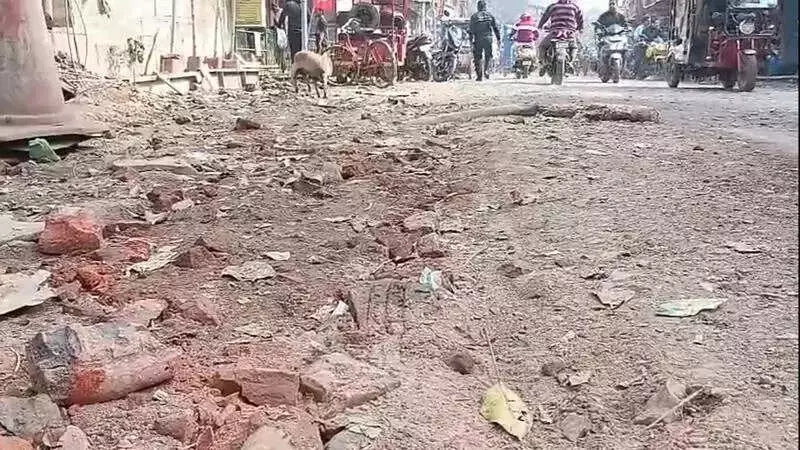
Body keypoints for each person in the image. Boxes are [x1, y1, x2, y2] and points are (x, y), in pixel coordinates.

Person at [537, 0, 584, 74]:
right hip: (569, 33)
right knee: (574, 47)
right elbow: (580, 19)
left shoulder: (552, 6)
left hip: (555, 33)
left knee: (542, 47)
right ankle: (570, 62)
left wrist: (540, 26)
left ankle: (544, 64)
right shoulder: (575, 7)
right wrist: (580, 28)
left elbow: (545, 17)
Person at [469, 0, 501, 81]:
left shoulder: (474, 17)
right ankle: (486, 70)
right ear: (485, 7)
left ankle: (479, 76)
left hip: (478, 39)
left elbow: (471, 30)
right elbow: (495, 28)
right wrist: (498, 39)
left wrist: (470, 41)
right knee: (488, 56)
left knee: (478, 57)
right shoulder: (490, 15)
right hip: (488, 39)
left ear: (478, 7)